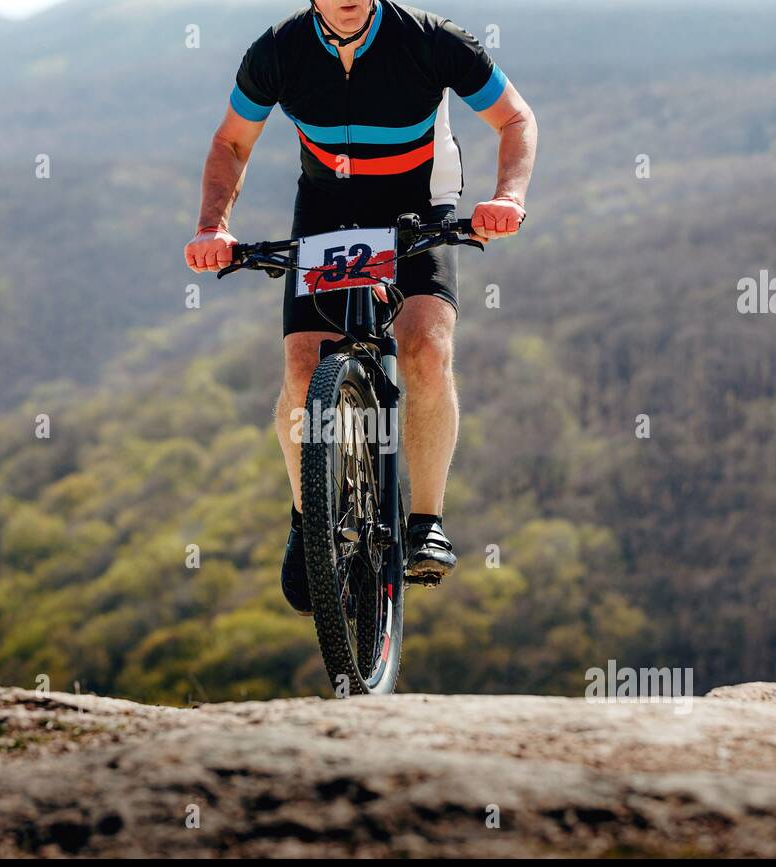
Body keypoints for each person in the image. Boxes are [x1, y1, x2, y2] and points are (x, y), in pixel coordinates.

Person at [184, 0, 536, 614]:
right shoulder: (278, 50)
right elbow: (231, 142)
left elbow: (516, 119)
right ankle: (308, 517)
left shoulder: (430, 39)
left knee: (426, 348)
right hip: (326, 214)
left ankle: (425, 520)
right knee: (301, 372)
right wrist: (213, 227)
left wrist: (506, 196)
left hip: (418, 207)